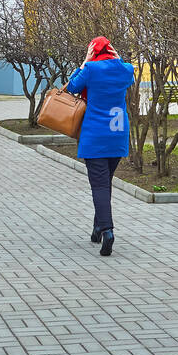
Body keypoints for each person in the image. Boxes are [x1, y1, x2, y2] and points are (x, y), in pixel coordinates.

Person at [66, 36, 134, 257]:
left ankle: (108, 230)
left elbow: (72, 87)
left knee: (99, 186)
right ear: (111, 50)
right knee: (105, 183)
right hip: (118, 135)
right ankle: (97, 228)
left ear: (92, 51)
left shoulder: (92, 68)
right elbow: (124, 71)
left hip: (95, 136)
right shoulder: (126, 69)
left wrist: (84, 62)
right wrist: (119, 58)